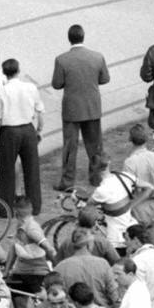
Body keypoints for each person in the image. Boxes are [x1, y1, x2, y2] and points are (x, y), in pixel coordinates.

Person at [51, 24, 111, 192]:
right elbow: (105, 79)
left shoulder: (62, 59)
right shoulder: (97, 57)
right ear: (83, 37)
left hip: (72, 109)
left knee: (70, 147)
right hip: (92, 107)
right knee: (95, 145)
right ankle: (96, 177)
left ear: (69, 39)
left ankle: (68, 180)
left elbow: (57, 84)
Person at [0, 58, 45, 216]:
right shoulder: (30, 87)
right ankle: (34, 206)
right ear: (18, 70)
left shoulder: (2, 90)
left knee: (6, 170)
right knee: (32, 168)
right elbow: (39, 111)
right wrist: (39, 129)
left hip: (9, 131)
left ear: (4, 73)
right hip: (27, 128)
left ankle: (5, 209)